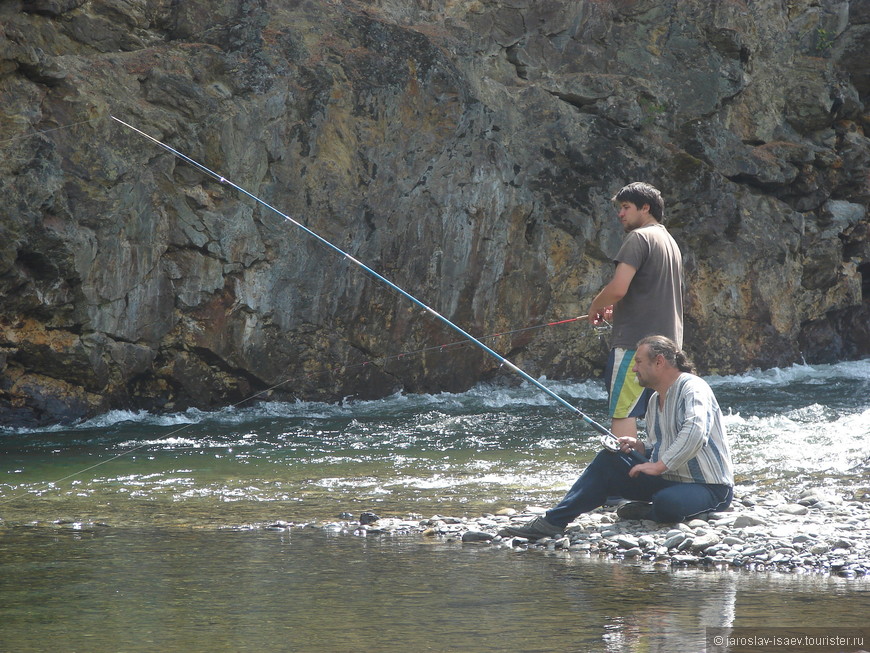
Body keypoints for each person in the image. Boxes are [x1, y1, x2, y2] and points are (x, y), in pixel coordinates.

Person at [499, 336, 734, 538]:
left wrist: (659, 465)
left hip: (709, 487)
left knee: (666, 503)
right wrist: (641, 447)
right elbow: (660, 444)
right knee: (608, 459)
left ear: (659, 361)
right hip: (670, 477)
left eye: (639, 362)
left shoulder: (693, 388)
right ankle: (554, 521)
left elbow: (696, 431)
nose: (634, 369)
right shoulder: (654, 400)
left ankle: (653, 511)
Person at [587, 182, 683, 439]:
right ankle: (657, 468)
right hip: (670, 348)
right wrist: (615, 309)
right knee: (660, 415)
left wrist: (595, 306)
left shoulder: (638, 238)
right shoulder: (669, 242)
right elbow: (649, 292)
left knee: (623, 412)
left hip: (635, 347)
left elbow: (619, 288)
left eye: (626, 207)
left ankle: (626, 472)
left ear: (645, 208)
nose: (620, 214)